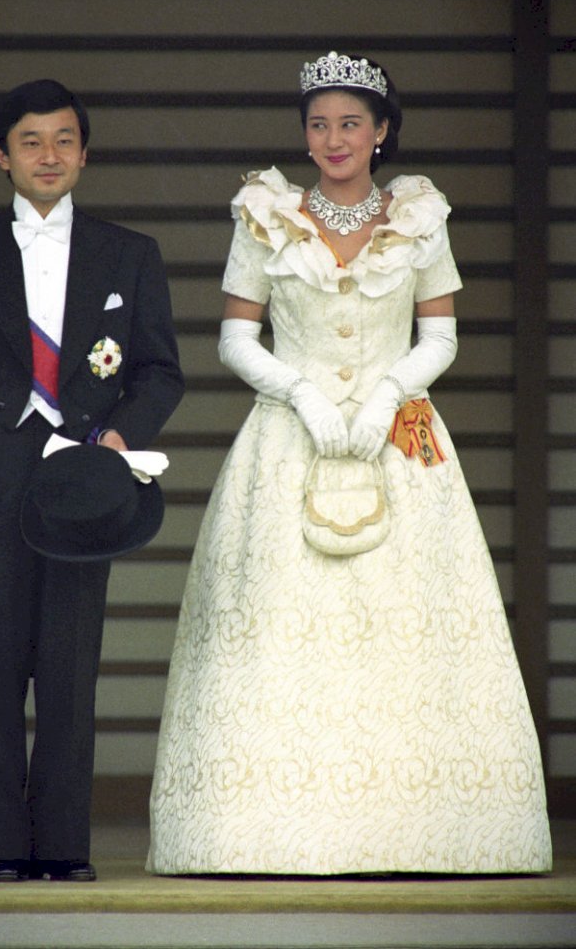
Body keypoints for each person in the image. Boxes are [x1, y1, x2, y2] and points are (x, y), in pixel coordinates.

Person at [147, 51, 551, 875]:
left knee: (409, 629)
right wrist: (300, 393)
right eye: (319, 124)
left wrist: (384, 396)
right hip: (288, 436)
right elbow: (233, 338)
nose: (333, 139)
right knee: (275, 631)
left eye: (351, 124)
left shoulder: (420, 215)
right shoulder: (265, 214)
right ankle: (252, 838)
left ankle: (425, 835)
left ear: (382, 132)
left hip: (396, 436)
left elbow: (441, 334)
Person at [0, 79, 184, 882]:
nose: (49, 155)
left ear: (85, 153)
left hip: (84, 482)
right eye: (30, 141)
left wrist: (112, 440)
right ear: (1, 156)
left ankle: (64, 845)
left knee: (71, 664)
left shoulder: (128, 253)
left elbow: (161, 374)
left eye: (64, 139)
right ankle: (1, 846)